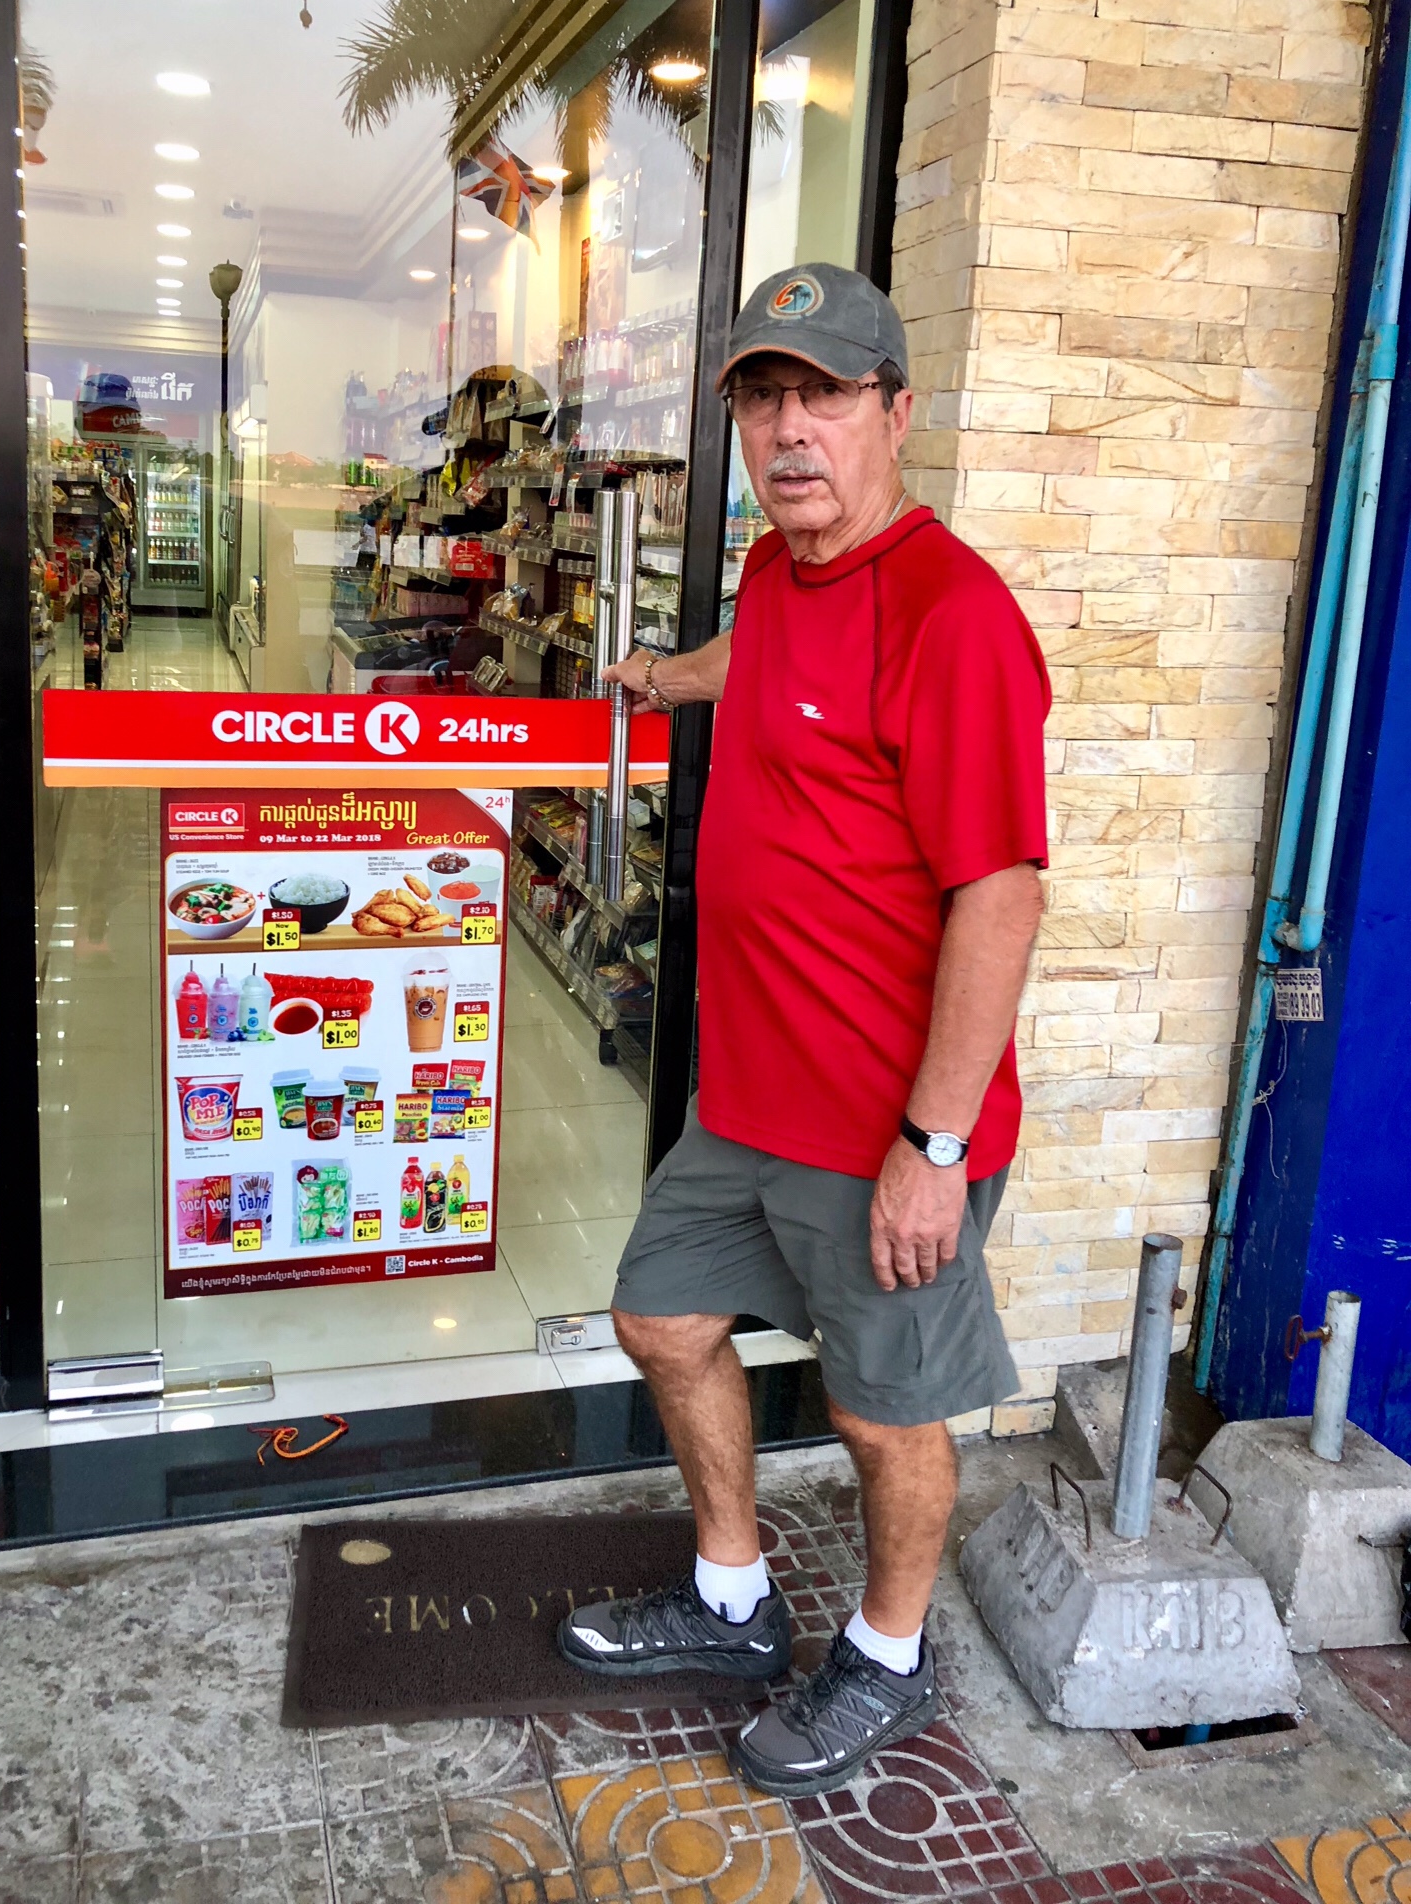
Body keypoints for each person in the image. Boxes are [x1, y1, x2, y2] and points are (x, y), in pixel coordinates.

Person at [559, 262, 1050, 1795]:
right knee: (663, 1318)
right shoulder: (780, 575)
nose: (789, 431)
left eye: (823, 396)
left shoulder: (952, 616)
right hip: (751, 1100)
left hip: (884, 1126)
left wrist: (933, 1149)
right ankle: (733, 1601)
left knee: (881, 1411)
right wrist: (662, 677)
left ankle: (890, 1658)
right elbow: (754, 661)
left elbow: (1002, 897)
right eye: (765, 399)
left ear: (895, 412)